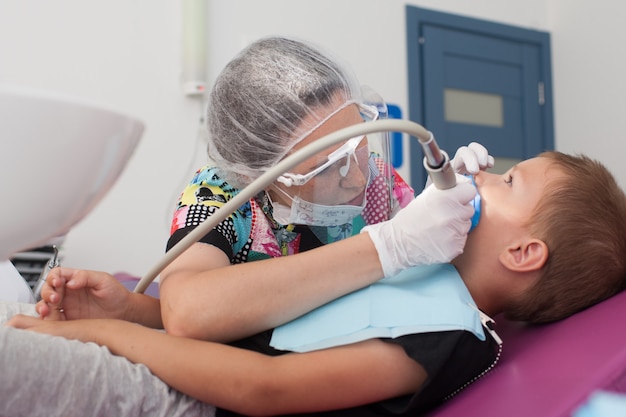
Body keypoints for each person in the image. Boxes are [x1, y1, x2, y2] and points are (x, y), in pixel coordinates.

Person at [2, 37, 626, 417]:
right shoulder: (220, 198)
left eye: (361, 138)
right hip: (187, 362)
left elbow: (265, 371)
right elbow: (196, 314)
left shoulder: (396, 209)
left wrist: (118, 330)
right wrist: (130, 319)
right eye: (329, 165)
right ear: (263, 170)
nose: (360, 174)